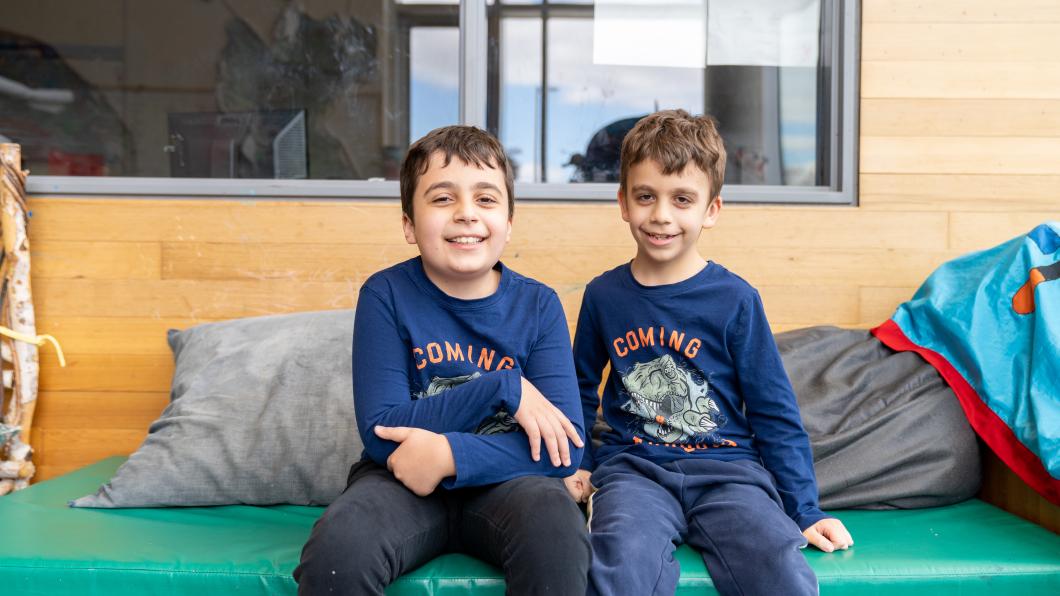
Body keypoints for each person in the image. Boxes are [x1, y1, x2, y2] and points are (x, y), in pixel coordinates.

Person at [564, 109, 853, 596]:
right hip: (635, 473)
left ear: (711, 210)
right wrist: (579, 462)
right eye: (646, 197)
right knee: (619, 565)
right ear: (623, 202)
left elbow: (773, 409)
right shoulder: (603, 296)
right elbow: (578, 385)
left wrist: (805, 510)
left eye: (682, 200)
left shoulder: (736, 299)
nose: (661, 215)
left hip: (729, 474)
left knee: (778, 567)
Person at [295, 125, 590, 595]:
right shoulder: (386, 295)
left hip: (509, 479)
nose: (466, 214)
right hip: (401, 480)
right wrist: (503, 387)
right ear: (409, 225)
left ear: (509, 222)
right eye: (442, 199)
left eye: (486, 199)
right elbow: (382, 429)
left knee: (556, 531)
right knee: (339, 547)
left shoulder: (538, 305)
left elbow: (565, 447)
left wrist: (450, 454)